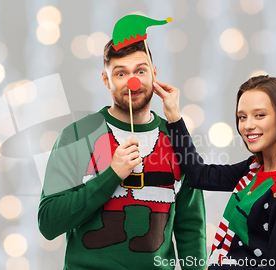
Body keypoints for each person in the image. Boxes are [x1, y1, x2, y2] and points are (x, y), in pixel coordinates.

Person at [38, 40, 207, 269]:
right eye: (120, 73)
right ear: (106, 80)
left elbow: (191, 228)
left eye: (140, 71)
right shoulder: (77, 136)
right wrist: (112, 175)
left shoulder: (177, 138)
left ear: (153, 74)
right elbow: (49, 223)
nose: (133, 82)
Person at [153, 75, 276, 269]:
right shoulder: (252, 170)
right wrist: (173, 116)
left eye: (259, 115)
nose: (248, 125)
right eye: (242, 117)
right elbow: (199, 175)